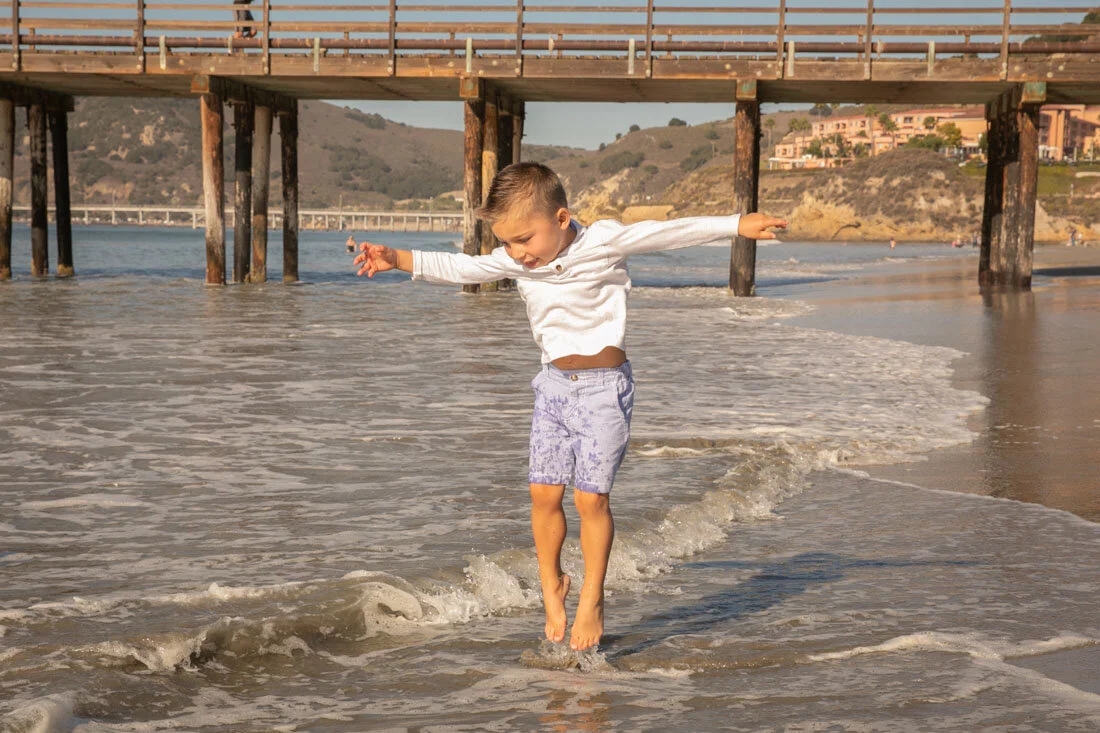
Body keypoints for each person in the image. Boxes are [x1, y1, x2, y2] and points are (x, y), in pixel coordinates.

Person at [349, 162, 786, 651]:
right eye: (508, 243)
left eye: (524, 239)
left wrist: (736, 224)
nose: (517, 254)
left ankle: (593, 596)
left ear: (561, 218)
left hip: (605, 389)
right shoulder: (518, 260)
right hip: (552, 388)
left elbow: (664, 233)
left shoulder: (602, 241)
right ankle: (551, 582)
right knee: (543, 494)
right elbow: (464, 267)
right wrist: (398, 257)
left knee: (589, 499)